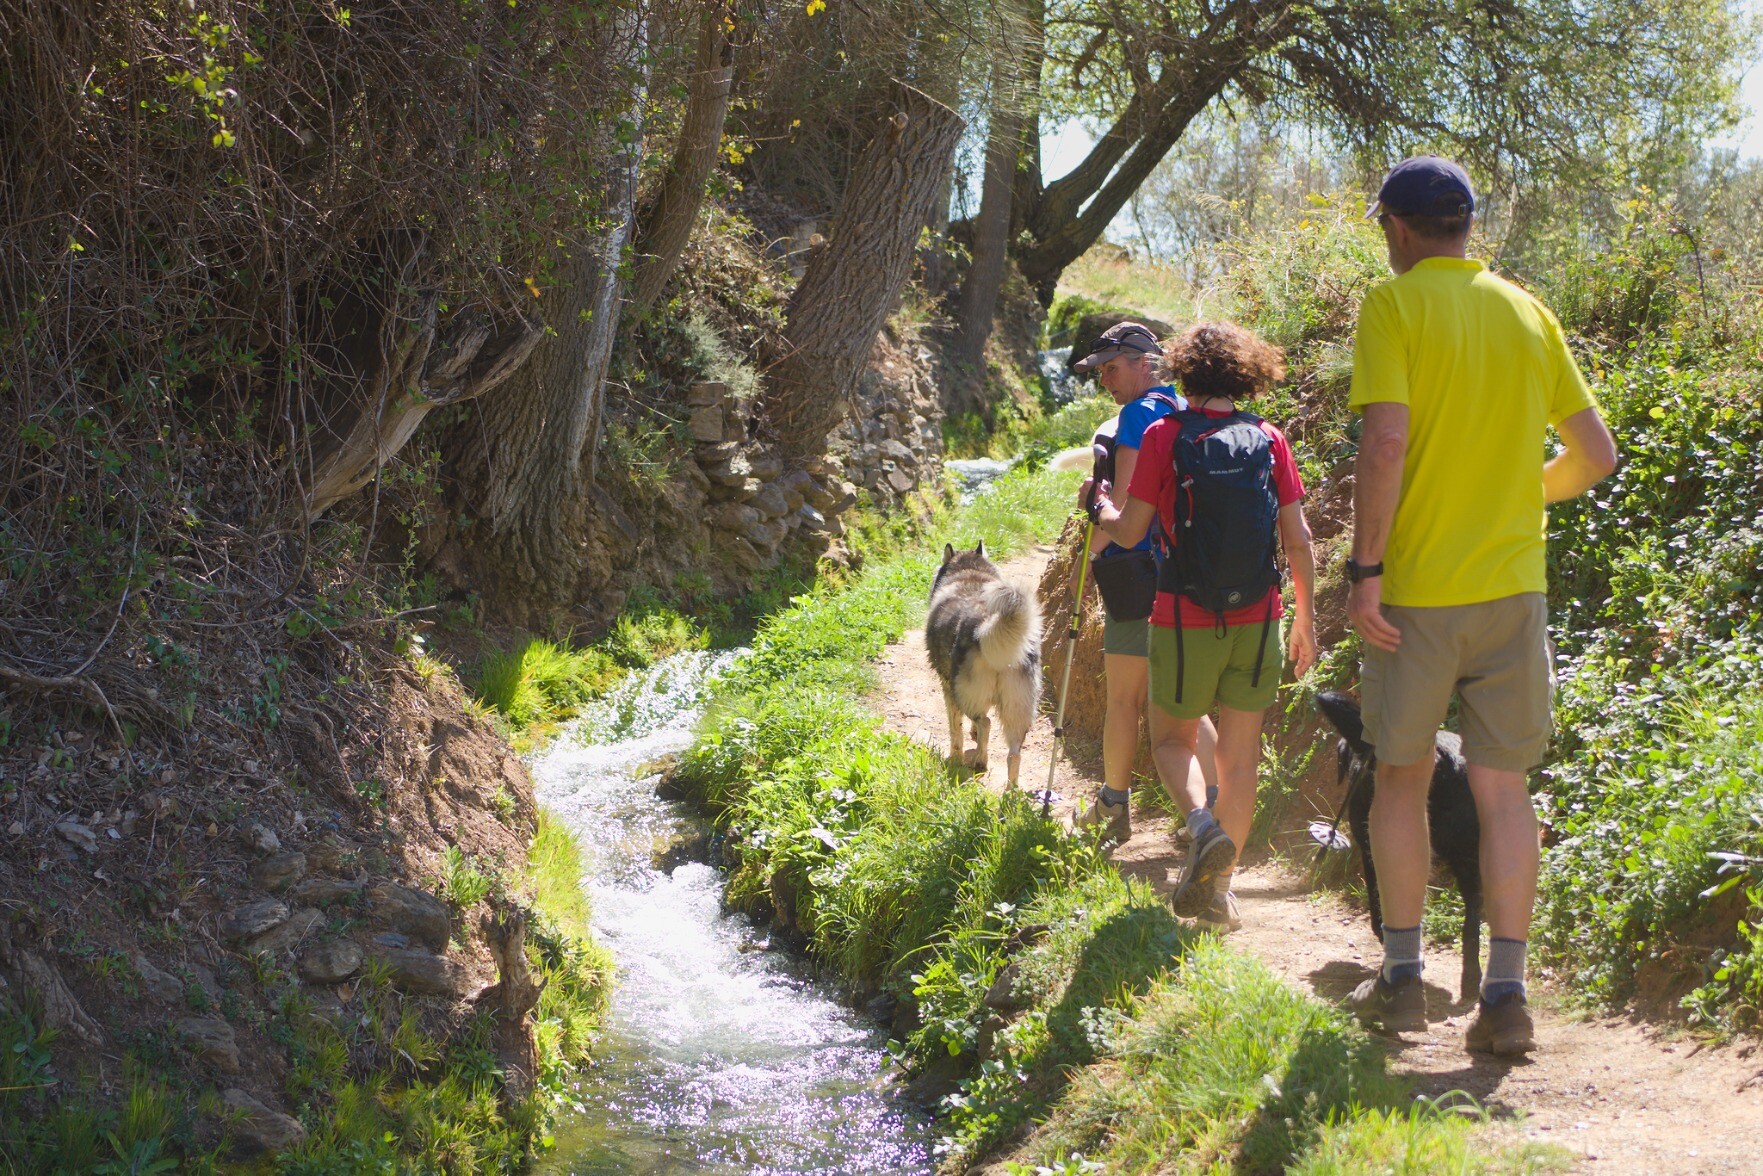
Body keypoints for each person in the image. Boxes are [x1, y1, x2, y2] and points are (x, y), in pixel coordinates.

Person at [1341, 156, 1617, 1056]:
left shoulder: (1395, 306)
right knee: (1504, 790)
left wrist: (1363, 570)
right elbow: (1595, 456)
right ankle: (1505, 997)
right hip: (1512, 591)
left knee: (1401, 777)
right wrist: (1513, 498)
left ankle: (1404, 982)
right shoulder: (1523, 308)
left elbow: (1385, 442)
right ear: (1466, 224)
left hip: (1416, 594)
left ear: (1398, 228)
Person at [1092, 322, 1318, 931]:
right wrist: (1307, 620)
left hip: (1183, 613)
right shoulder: (1270, 438)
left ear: (1185, 371)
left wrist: (1100, 506)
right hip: (1261, 614)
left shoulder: (1166, 434)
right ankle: (1219, 892)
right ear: (1247, 374)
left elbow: (1133, 530)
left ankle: (1202, 827)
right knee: (1240, 761)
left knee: (1172, 740)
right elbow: (1298, 542)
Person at [1069, 323, 1217, 848]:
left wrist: (1089, 554)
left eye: (1112, 367)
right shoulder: (1189, 409)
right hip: (1190, 578)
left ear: (1144, 363)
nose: (1105, 379)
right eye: (1101, 370)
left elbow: (1127, 511)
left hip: (1138, 576)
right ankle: (1213, 807)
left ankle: (1113, 803)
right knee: (1187, 703)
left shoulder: (1137, 416)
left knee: (1124, 701)